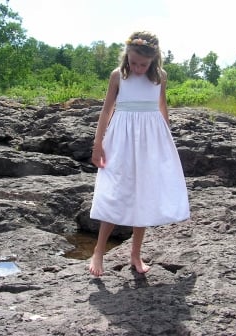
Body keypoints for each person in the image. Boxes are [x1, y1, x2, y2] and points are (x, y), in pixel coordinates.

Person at [89, 31, 190, 277]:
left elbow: (162, 107)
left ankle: (135, 254)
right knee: (116, 192)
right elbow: (105, 111)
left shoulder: (160, 78)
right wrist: (97, 144)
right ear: (127, 57)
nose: (138, 68)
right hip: (121, 140)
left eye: (143, 64)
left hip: (150, 141)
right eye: (133, 62)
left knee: (144, 194)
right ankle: (99, 250)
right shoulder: (118, 76)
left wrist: (165, 144)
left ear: (154, 60)